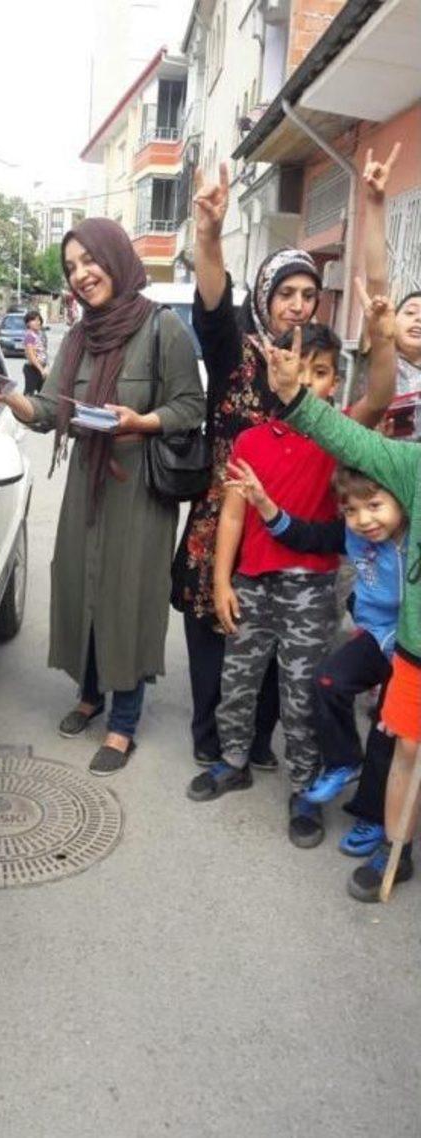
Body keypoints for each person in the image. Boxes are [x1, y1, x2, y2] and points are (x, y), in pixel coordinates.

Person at [172, 161, 395, 785]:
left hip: (296, 528)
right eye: (286, 294)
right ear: (266, 299)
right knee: (219, 630)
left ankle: (261, 743)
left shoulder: (319, 367)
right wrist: (209, 233)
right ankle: (215, 743)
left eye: (308, 295)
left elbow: (367, 403)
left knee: (279, 649)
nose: (297, 306)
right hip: (228, 506)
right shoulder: (235, 351)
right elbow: (213, 303)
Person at [0, 217, 204, 775]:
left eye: (88, 261)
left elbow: (191, 407)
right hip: (87, 487)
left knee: (127, 596)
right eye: (71, 268)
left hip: (139, 492)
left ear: (115, 257)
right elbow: (49, 412)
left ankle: (124, 722)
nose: (80, 275)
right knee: (82, 585)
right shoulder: (78, 337)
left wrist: (142, 420)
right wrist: (2, 395)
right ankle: (90, 693)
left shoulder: (161, 329)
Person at [191, 301, 394, 847]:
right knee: (238, 679)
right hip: (252, 582)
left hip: (310, 586)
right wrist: (220, 582)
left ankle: (305, 788)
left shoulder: (339, 436)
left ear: (334, 381)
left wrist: (382, 340)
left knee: (302, 693)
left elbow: (379, 395)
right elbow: (233, 512)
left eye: (322, 371)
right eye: (300, 367)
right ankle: (233, 760)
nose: (307, 380)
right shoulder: (251, 440)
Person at [265, 295, 421, 901]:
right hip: (411, 647)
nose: (364, 518)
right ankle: (395, 848)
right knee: (403, 746)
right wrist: (295, 398)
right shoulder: (408, 465)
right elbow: (347, 440)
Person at [226, 457, 406, 858]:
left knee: (387, 733)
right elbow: (304, 535)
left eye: (374, 506)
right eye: (351, 510)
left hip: (412, 645)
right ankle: (344, 761)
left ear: (401, 498)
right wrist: (263, 502)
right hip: (377, 637)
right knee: (327, 682)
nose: (363, 520)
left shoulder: (411, 535)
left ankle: (375, 820)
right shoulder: (351, 534)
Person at [362, 141, 421, 404]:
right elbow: (376, 277)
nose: (418, 320)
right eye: (410, 312)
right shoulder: (383, 355)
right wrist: (375, 202)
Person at [23, 309, 49, 396]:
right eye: (33, 320)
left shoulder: (40, 335)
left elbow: (44, 353)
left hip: (40, 368)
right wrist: (41, 370)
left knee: (44, 394)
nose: (37, 322)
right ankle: (20, 409)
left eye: (38, 320)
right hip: (32, 369)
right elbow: (31, 357)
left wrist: (46, 366)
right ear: (28, 323)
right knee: (29, 394)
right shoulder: (29, 336)